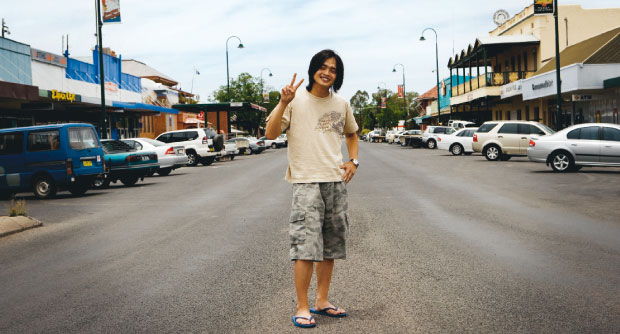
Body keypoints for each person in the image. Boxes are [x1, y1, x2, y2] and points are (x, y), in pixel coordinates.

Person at [265, 49, 359, 329]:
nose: (327, 72)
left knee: (329, 248)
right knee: (305, 248)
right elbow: (270, 133)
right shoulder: (295, 100)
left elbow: (352, 134)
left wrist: (353, 160)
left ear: (337, 75)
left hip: (335, 182)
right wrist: (282, 103)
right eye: (322, 66)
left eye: (333, 69)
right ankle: (303, 307)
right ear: (313, 69)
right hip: (305, 181)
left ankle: (321, 301)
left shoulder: (341, 103)